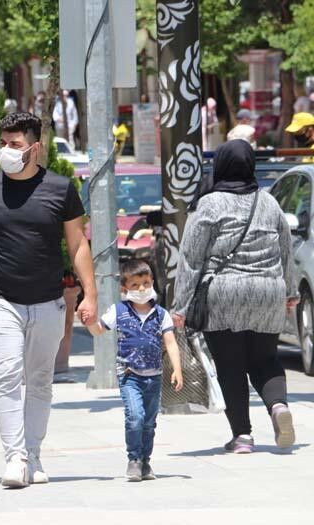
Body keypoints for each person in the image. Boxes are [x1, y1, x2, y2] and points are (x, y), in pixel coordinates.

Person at [0, 112, 97, 488]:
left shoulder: (59, 188)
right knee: (6, 375)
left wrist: (90, 293)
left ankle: (33, 454)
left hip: (48, 300)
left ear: (35, 148)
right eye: (3, 143)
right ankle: (14, 457)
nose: (6, 150)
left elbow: (77, 243)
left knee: (39, 380)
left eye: (15, 144)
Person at [173, 140, 298, 454]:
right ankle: (279, 407)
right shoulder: (268, 202)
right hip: (268, 291)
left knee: (230, 365)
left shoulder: (210, 204)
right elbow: (286, 249)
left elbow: (190, 258)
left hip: (223, 294)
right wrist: (291, 291)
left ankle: (242, 436)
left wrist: (181, 305)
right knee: (266, 359)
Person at [87, 259, 183, 481]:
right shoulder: (118, 311)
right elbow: (99, 330)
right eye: (135, 285)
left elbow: (170, 343)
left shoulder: (161, 314)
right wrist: (90, 321)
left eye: (146, 283)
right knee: (135, 417)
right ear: (124, 289)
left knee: (149, 421)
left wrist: (176, 369)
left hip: (155, 376)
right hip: (129, 374)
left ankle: (145, 462)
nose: (142, 289)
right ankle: (133, 459)